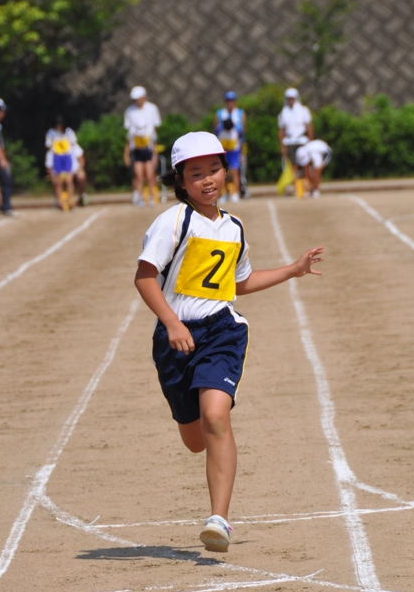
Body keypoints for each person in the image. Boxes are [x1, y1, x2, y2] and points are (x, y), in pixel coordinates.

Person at [134, 131, 324, 553]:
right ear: (180, 181)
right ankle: (202, 436)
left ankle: (218, 520)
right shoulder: (173, 222)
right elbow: (145, 278)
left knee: (216, 417)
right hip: (175, 338)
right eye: (195, 173)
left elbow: (238, 284)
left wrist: (292, 270)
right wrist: (172, 324)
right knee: (195, 438)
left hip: (222, 330)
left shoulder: (233, 227)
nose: (207, 180)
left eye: (214, 170)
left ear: (226, 171)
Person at [123, 85, 161, 207]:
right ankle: (139, 197)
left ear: (144, 97)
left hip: (148, 145)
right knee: (138, 174)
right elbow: (129, 135)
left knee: (150, 174)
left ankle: (151, 196)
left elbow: (155, 129)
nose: (136, 101)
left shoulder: (152, 109)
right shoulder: (129, 111)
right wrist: (126, 154)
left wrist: (155, 153)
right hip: (136, 146)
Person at [277, 87, 314, 196]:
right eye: (289, 98)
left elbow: (309, 127)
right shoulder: (283, 112)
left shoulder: (304, 110)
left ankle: (308, 188)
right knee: (293, 166)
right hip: (289, 142)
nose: (290, 100)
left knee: (305, 165)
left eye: (292, 98)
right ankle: (298, 188)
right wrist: (282, 146)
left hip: (302, 140)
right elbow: (281, 130)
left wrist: (310, 142)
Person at [214, 92, 246, 200]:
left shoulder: (240, 114)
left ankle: (236, 193)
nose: (230, 103)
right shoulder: (220, 114)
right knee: (223, 173)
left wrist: (242, 152)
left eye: (232, 101)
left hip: (235, 150)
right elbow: (215, 133)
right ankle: (225, 192)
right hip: (223, 150)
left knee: (235, 171)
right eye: (228, 101)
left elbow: (243, 136)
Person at [45, 115, 77, 211]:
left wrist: (65, 149)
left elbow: (73, 143)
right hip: (57, 157)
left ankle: (71, 200)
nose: (59, 127)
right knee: (58, 181)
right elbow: (48, 145)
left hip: (67, 156)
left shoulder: (69, 132)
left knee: (68, 180)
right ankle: (60, 202)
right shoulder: (50, 133)